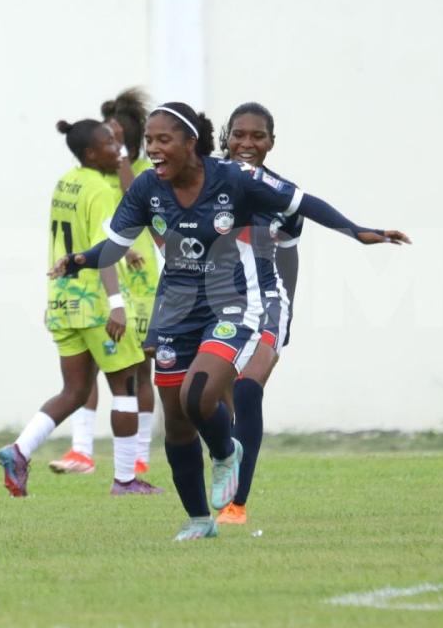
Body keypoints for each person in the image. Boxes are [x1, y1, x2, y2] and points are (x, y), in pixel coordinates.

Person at [52, 102, 408, 540]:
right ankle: (200, 520)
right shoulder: (146, 187)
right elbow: (113, 245)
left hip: (233, 302)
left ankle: (225, 453)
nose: (154, 149)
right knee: (177, 417)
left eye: (164, 140)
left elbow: (302, 202)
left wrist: (358, 231)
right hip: (177, 307)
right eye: (149, 141)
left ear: (190, 143)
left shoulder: (234, 179)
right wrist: (80, 260)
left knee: (200, 393)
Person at [0, 118, 161, 497]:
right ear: (91, 153)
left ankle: (19, 450)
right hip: (96, 305)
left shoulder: (66, 182)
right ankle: (125, 480)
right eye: (109, 144)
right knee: (127, 387)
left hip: (61, 299)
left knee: (74, 391)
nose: (117, 150)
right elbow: (104, 250)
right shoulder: (99, 189)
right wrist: (117, 305)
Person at [50, 89, 158, 476]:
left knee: (138, 370)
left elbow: (136, 200)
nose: (110, 145)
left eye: (116, 139)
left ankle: (139, 452)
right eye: (105, 139)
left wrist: (126, 159)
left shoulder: (143, 173)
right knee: (87, 369)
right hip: (98, 282)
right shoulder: (91, 179)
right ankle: (82, 450)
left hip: (141, 283)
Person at [214, 101, 303, 524]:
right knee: (209, 400)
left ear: (271, 142)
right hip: (211, 307)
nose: (247, 143)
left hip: (266, 305)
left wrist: (286, 315)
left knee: (248, 390)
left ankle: (237, 502)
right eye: (239, 134)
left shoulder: (283, 196)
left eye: (258, 136)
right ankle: (219, 471)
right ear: (225, 137)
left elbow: (288, 255)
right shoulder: (203, 184)